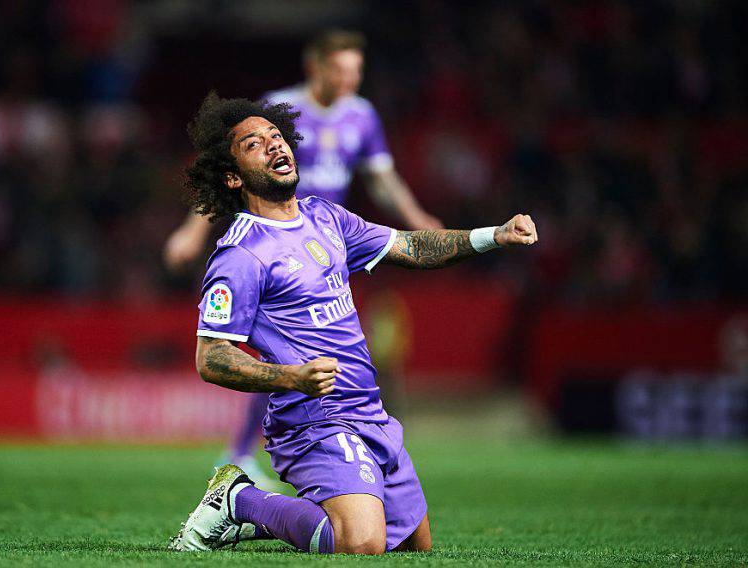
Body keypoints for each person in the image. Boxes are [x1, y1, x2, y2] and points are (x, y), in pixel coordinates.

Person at [168, 93, 538, 554]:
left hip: (369, 411)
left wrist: (494, 236)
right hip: (314, 419)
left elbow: (412, 247)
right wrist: (289, 377)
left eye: (277, 136)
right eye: (253, 144)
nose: (274, 146)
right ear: (232, 175)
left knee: (413, 549)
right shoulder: (241, 255)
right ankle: (239, 500)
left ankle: (266, 511)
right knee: (360, 544)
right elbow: (212, 357)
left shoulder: (326, 217)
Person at [164, 30, 442, 481]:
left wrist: (417, 217)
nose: (350, 80)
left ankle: (330, 446)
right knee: (280, 355)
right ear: (316, 68)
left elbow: (382, 180)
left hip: (327, 242)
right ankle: (242, 455)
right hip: (274, 247)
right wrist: (191, 231)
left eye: (357, 71)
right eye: (341, 70)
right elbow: (225, 167)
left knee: (332, 353)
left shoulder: (362, 116)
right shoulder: (279, 111)